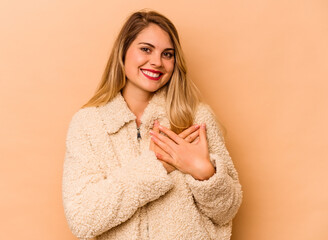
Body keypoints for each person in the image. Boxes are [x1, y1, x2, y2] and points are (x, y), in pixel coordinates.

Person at [62, 9, 243, 240]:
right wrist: (155, 166)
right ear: (123, 52)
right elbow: (82, 219)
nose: (157, 62)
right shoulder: (88, 125)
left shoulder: (196, 118)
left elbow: (226, 212)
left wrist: (205, 173)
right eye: (146, 49)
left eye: (167, 54)